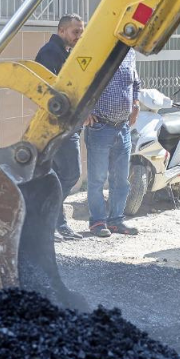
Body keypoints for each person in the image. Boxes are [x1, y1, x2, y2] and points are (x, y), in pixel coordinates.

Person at [34, 14, 86, 241]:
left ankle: (57, 222)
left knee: (59, 176)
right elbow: (47, 93)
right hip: (57, 126)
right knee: (69, 174)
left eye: (81, 32)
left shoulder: (66, 53)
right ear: (62, 30)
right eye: (76, 32)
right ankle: (46, 220)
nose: (79, 36)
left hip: (69, 124)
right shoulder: (49, 53)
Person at [85, 48, 141, 238]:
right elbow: (80, 84)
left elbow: (136, 83)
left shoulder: (129, 53)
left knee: (121, 181)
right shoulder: (97, 47)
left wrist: (135, 104)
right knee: (97, 180)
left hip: (123, 128)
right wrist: (84, 110)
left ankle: (116, 220)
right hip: (99, 127)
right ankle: (97, 222)